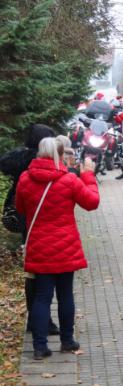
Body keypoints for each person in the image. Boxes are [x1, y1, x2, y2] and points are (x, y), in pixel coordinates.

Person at [15, 138, 99, 359]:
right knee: (65, 295)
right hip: (66, 246)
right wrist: (88, 175)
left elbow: (20, 208)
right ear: (60, 155)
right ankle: (67, 340)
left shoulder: (25, 178)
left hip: (39, 245)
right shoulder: (69, 180)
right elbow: (92, 202)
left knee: (42, 296)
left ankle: (40, 347)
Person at [0, 124, 60, 336]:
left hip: (26, 217)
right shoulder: (44, 162)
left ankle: (34, 319)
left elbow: (4, 164)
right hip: (42, 219)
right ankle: (42, 321)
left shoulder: (20, 159)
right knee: (44, 273)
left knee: (31, 270)